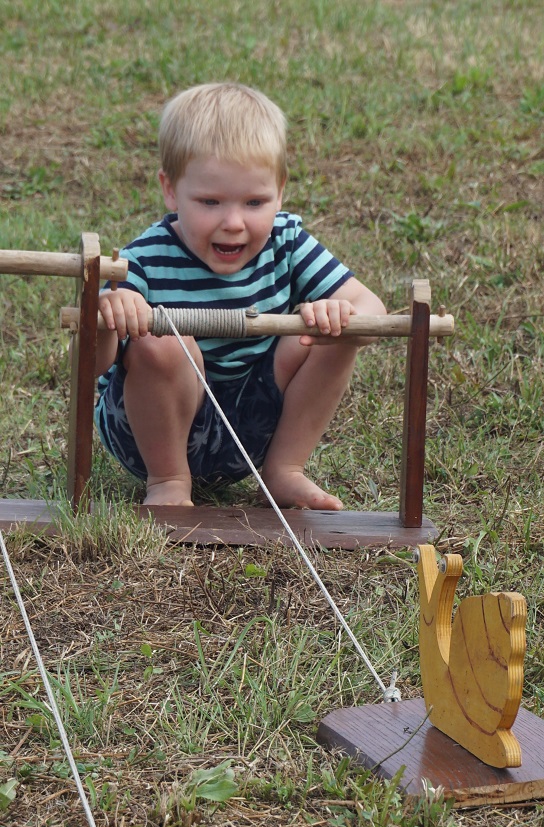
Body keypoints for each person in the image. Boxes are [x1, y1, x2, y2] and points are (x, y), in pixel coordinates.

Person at [94, 82, 386, 509]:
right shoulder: (143, 260)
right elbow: (89, 365)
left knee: (330, 334)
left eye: (254, 202)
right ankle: (169, 482)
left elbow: (372, 311)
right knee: (158, 341)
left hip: (251, 427)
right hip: (152, 429)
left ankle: (285, 470)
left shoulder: (285, 242)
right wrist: (110, 315)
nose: (234, 222)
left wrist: (340, 313)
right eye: (210, 201)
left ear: (280, 191)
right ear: (171, 190)